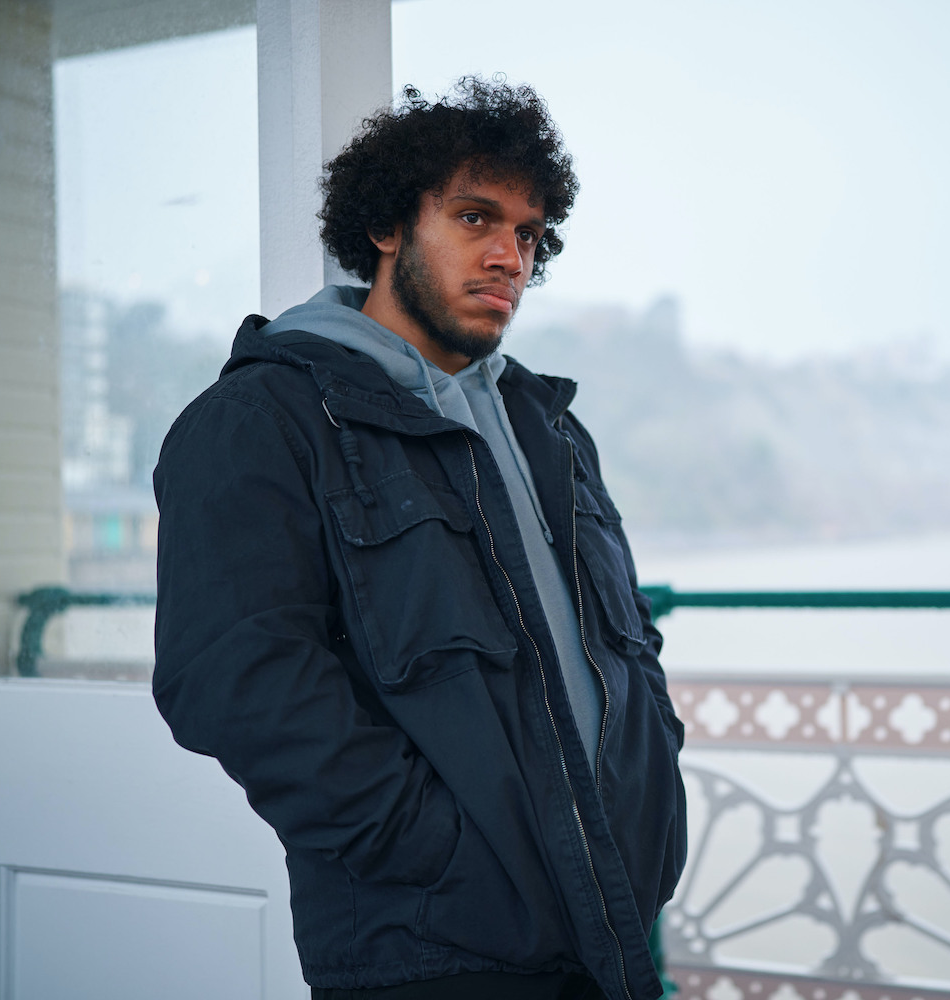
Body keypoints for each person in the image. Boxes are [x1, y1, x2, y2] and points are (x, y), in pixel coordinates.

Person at [152, 79, 686, 1000]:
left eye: (528, 233)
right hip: (426, 945)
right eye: (476, 217)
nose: (510, 255)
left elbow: (626, 641)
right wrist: (436, 849)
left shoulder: (546, 426)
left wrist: (653, 784)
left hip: (608, 917)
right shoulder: (262, 417)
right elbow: (234, 680)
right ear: (389, 224)